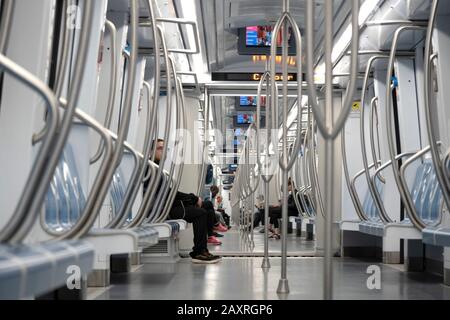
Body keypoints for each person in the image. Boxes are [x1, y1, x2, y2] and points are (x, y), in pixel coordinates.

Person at [147, 139, 221, 264]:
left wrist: (191, 198)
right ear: (151, 151)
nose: (164, 151)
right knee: (200, 213)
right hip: (162, 210)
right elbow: (168, 193)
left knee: (203, 208)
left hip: (166, 205)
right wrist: (192, 198)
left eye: (165, 149)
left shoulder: (157, 169)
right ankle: (198, 252)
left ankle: (202, 248)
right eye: (160, 148)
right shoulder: (152, 169)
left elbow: (169, 192)